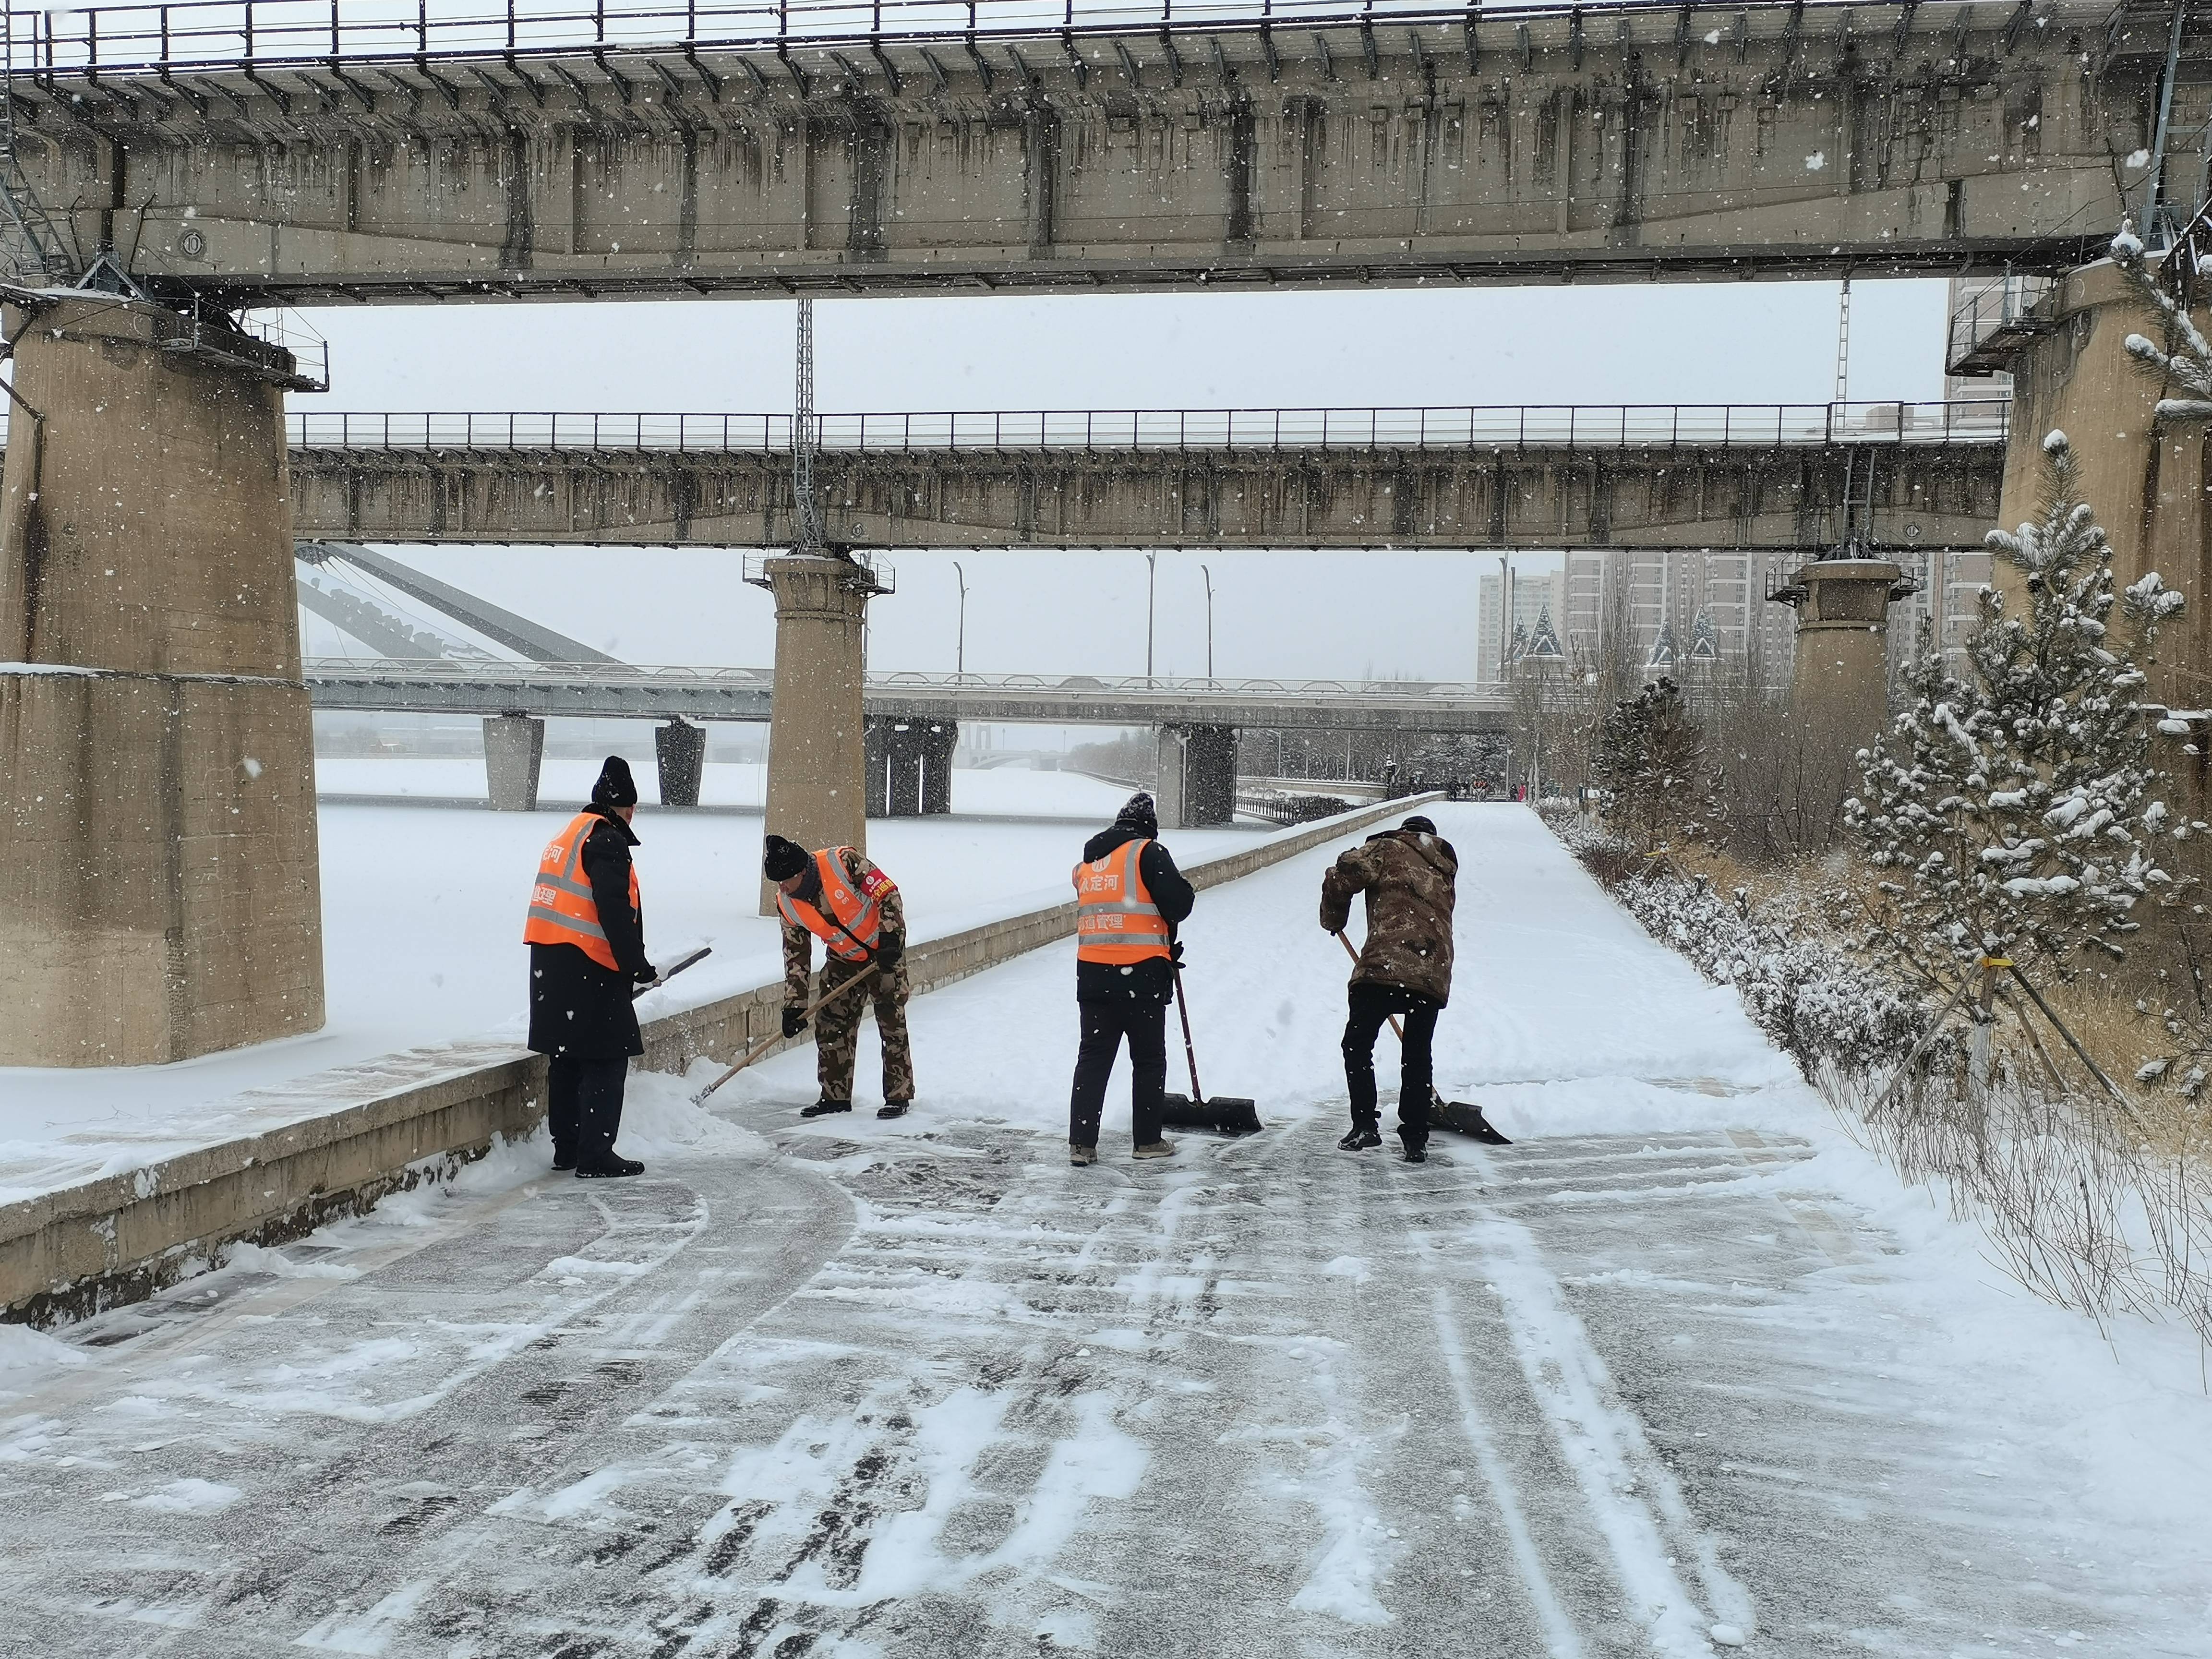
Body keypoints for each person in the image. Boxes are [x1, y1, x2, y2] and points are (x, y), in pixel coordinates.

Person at [525, 756, 657, 1178]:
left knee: (566, 1057)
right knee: (606, 1058)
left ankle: (567, 1149)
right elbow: (613, 909)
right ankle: (596, 1155)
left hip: (550, 960)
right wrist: (637, 966)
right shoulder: (606, 840)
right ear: (629, 808)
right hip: (589, 964)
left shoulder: (570, 832)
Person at [1319, 812, 1458, 1164]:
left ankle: (1365, 1125)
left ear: (1405, 832)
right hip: (1432, 971)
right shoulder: (1444, 866)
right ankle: (1415, 1138)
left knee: (1357, 1044)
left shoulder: (1386, 847)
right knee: (1416, 1053)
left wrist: (1333, 916)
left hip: (1385, 965)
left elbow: (1350, 872)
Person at [1067, 791, 1195, 1166]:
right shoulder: (1147, 853)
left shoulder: (1088, 863)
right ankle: (1147, 1141)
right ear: (1148, 829)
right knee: (1149, 1059)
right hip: (1141, 976)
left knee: (1093, 1059)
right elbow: (1178, 904)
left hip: (1092, 976)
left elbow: (1114, 914)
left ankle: (1082, 1144)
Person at [765, 834, 914, 1120]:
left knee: (891, 1021)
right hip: (843, 959)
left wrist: (892, 937)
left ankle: (899, 1096)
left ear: (802, 872)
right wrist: (794, 1005)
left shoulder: (844, 862)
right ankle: (835, 1097)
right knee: (831, 1023)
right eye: (778, 883)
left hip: (883, 951)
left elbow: (888, 893)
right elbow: (795, 955)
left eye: (786, 880)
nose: (783, 888)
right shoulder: (787, 904)